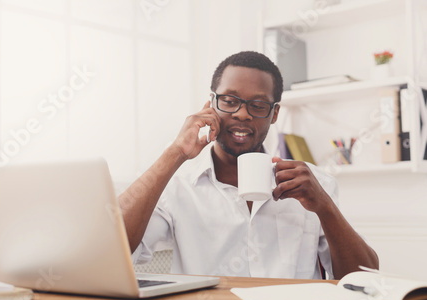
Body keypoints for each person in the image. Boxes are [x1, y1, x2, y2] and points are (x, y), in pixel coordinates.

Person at [119, 51, 379, 280]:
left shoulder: (314, 185)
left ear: (274, 113)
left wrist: (325, 207)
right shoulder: (178, 184)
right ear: (211, 104)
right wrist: (175, 152)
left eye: (257, 105)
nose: (242, 114)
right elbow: (114, 246)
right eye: (230, 101)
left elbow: (364, 279)